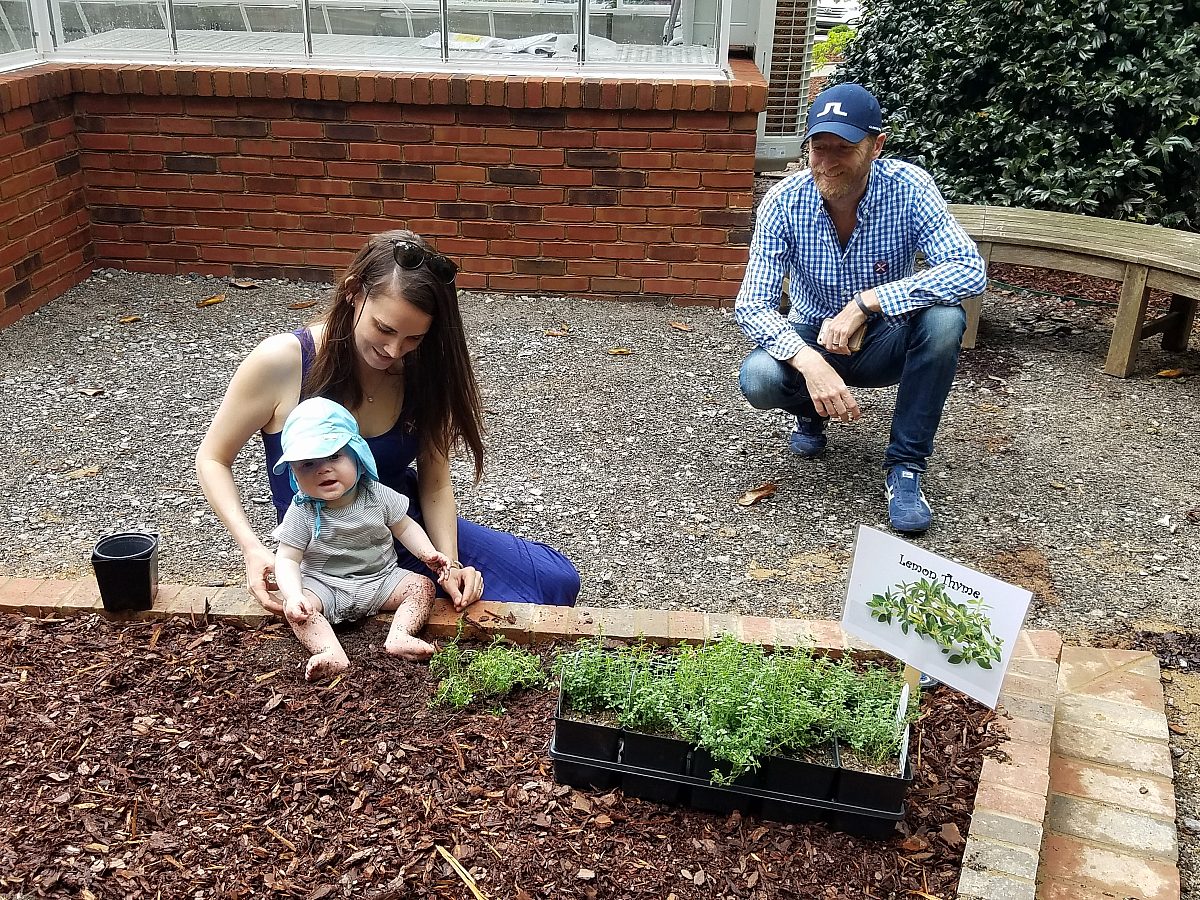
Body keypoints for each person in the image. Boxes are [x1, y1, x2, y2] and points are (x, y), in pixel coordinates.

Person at [196, 229, 581, 615]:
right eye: (384, 329)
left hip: (404, 525)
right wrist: (252, 548)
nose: (394, 350)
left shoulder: (421, 369)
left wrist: (449, 564)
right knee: (517, 609)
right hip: (334, 549)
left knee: (558, 580)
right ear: (352, 292)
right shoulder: (283, 361)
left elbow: (435, 481)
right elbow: (213, 459)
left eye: (414, 338)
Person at [734, 83, 987, 534]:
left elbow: (968, 268)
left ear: (876, 146)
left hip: (886, 337)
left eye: (844, 148)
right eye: (819, 146)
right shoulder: (783, 201)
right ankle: (811, 409)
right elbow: (752, 303)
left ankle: (906, 468)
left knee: (947, 319)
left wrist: (867, 304)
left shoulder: (908, 188)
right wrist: (810, 361)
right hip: (812, 335)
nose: (827, 161)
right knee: (758, 378)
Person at [273, 398, 451, 678]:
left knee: (421, 587)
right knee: (296, 611)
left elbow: (404, 527)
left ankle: (400, 635)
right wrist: (294, 595)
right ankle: (329, 651)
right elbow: (286, 558)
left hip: (381, 580)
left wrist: (427, 553)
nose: (323, 469)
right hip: (325, 587)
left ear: (357, 455)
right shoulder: (303, 510)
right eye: (308, 464)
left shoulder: (375, 494)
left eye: (334, 456)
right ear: (294, 473)